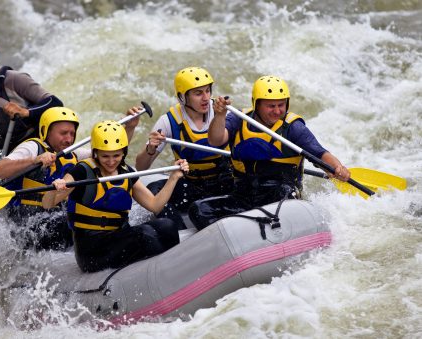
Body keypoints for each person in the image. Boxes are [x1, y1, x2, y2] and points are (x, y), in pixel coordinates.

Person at [189, 75, 351, 229]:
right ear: (256, 104)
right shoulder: (239, 118)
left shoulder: (293, 127)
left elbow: (320, 154)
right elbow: (215, 140)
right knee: (199, 209)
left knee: (284, 194)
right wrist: (219, 115)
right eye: (271, 106)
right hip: (244, 196)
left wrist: (337, 167)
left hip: (280, 197)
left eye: (281, 105)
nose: (277, 111)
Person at [42, 120, 188, 273]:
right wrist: (55, 189)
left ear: (124, 152)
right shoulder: (82, 172)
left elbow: (154, 205)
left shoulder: (126, 172)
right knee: (145, 235)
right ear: (95, 152)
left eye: (116, 155)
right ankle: (166, 272)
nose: (111, 162)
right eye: (105, 156)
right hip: (92, 249)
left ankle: (175, 268)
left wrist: (174, 177)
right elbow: (47, 204)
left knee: (167, 226)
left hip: (119, 237)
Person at [0, 106, 142, 251]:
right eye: (63, 133)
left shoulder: (72, 153)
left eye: (72, 133)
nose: (69, 139)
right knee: (75, 223)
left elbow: (109, 154)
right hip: (27, 222)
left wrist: (129, 127)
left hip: (53, 215)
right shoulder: (32, 147)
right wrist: (34, 160)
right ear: (46, 131)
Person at [134, 67, 233, 229]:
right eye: (198, 93)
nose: (206, 98)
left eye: (208, 91)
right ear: (182, 97)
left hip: (225, 183)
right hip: (192, 185)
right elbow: (140, 167)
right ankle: (179, 232)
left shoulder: (223, 114)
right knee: (153, 190)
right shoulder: (168, 121)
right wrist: (151, 148)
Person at [0, 36, 63, 160]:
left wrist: (26, 112)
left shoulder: (15, 79)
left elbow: (55, 103)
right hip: (13, 163)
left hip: (41, 150)